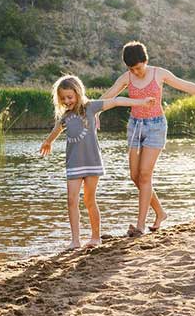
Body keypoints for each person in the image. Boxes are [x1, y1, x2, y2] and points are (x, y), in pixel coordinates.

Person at [100, 41, 195, 237]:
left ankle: (140, 226)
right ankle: (160, 213)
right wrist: (92, 112)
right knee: (135, 176)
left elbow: (187, 86)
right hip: (134, 127)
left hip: (156, 127)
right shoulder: (126, 77)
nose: (135, 72)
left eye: (137, 67)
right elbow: (108, 96)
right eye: (131, 69)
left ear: (145, 61)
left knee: (145, 176)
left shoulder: (158, 74)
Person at [39, 75, 155, 249]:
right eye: (63, 98)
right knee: (71, 200)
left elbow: (116, 101)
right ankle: (75, 240)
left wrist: (141, 102)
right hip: (73, 164)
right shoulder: (65, 116)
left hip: (92, 162)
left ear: (78, 93)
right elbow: (56, 130)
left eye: (70, 97)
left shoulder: (90, 107)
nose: (67, 101)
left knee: (89, 200)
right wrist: (48, 142)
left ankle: (95, 237)